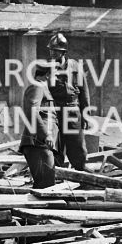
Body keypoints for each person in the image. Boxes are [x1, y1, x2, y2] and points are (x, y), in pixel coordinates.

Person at [44, 32, 90, 171]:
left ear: (63, 52)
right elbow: (40, 93)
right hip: (55, 110)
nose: (52, 53)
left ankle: (81, 172)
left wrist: (86, 115)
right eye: (51, 50)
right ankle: (56, 174)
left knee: (76, 144)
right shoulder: (45, 68)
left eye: (55, 51)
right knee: (56, 145)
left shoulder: (75, 66)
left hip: (73, 109)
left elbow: (84, 93)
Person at [19, 61, 59, 189]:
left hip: (41, 144)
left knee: (46, 185)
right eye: (55, 75)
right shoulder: (38, 86)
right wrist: (46, 134)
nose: (56, 78)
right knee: (45, 186)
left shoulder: (43, 88)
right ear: (47, 75)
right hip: (38, 143)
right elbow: (32, 111)